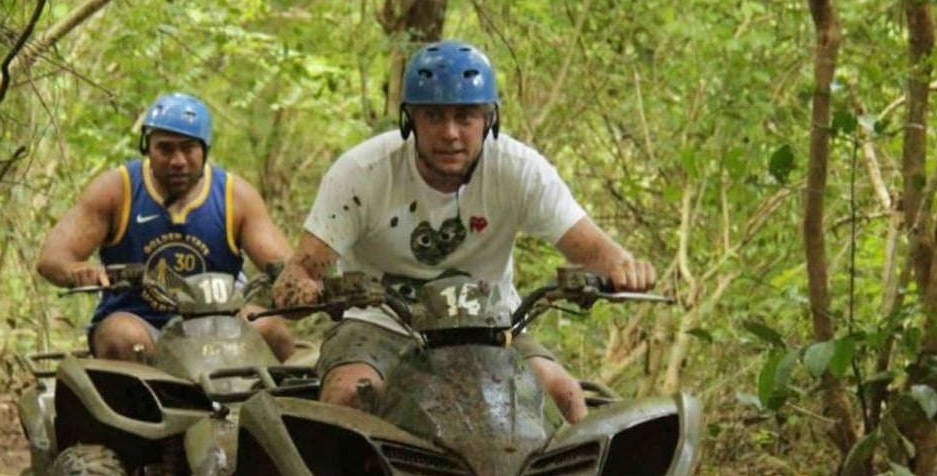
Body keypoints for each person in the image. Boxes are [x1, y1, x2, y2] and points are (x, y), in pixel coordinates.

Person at [273, 40, 655, 422]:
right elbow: (302, 270)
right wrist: (303, 289)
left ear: (490, 119)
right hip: (380, 325)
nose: (450, 133)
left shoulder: (518, 169)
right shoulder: (363, 173)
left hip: (491, 327)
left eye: (466, 116)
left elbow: (589, 247)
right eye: (434, 117)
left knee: (564, 394)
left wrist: (624, 268)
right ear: (410, 120)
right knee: (347, 395)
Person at [37, 92, 296, 361]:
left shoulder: (235, 197)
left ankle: (286, 402)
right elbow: (52, 257)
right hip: (141, 324)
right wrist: (77, 270)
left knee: (271, 330)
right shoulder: (117, 189)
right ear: (148, 147)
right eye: (165, 149)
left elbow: (286, 266)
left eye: (188, 148)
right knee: (121, 338)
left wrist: (299, 286)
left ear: (204, 149)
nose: (178, 161)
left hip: (221, 326)